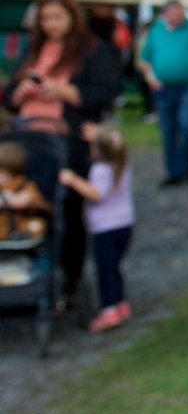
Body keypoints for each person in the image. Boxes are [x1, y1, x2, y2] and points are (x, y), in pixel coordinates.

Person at [2, 0, 122, 310]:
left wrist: (64, 92)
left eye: (57, 17)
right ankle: (25, 278)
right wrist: (22, 92)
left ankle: (67, 282)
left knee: (66, 213)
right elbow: (11, 95)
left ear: (71, 17)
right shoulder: (33, 50)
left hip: (63, 143)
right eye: (46, 18)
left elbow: (105, 93)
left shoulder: (91, 51)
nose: (51, 24)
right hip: (26, 141)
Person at [58, 125, 135, 332]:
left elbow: (96, 194)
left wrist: (72, 180)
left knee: (105, 270)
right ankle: (120, 303)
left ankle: (109, 310)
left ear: (97, 151)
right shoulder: (121, 162)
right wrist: (100, 135)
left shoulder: (100, 169)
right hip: (125, 224)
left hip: (105, 229)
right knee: (114, 267)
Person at [137, 0, 188, 185]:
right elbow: (144, 58)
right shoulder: (157, 30)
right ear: (165, 13)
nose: (179, 14)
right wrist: (151, 78)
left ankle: (185, 168)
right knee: (167, 129)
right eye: (174, 11)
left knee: (186, 126)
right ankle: (173, 171)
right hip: (163, 88)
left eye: (180, 10)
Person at [0, 141, 52, 241]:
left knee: (36, 225)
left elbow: (40, 204)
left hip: (18, 227)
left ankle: (22, 236)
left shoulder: (22, 185)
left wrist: (24, 201)